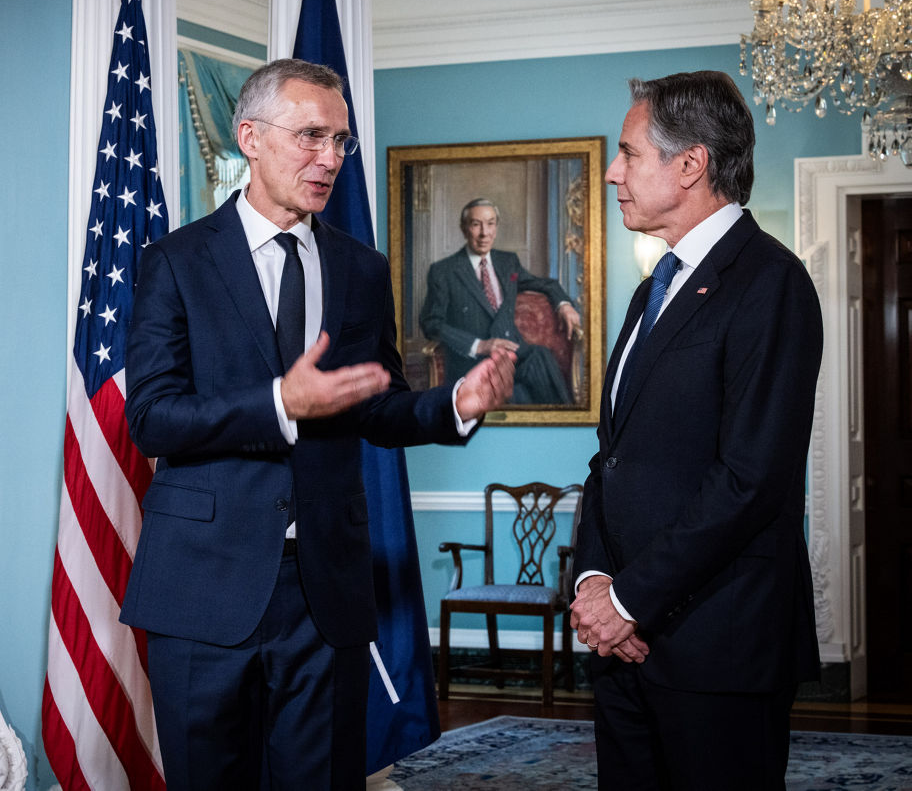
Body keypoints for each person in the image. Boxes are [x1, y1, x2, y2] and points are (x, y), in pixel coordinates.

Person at [120, 58, 516, 790]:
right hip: (203, 590)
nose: (330, 158)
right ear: (250, 138)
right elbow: (151, 418)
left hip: (326, 593)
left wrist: (455, 405)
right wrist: (280, 403)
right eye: (311, 136)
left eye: (340, 140)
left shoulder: (361, 268)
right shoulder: (174, 261)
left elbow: (377, 404)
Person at [570, 71, 823, 789]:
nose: (612, 172)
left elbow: (750, 479)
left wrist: (628, 602)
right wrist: (595, 580)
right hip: (625, 647)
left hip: (720, 646)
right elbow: (612, 459)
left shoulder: (771, 282)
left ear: (690, 165)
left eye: (628, 153)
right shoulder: (654, 288)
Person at [419, 198, 581, 403]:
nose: (484, 233)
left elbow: (546, 285)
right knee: (521, 397)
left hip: (515, 355)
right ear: (464, 228)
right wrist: (479, 345)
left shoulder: (508, 262)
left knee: (540, 356)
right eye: (476, 224)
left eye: (490, 224)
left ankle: (566, 417)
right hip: (474, 363)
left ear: (496, 227)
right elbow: (431, 323)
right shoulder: (444, 271)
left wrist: (565, 305)